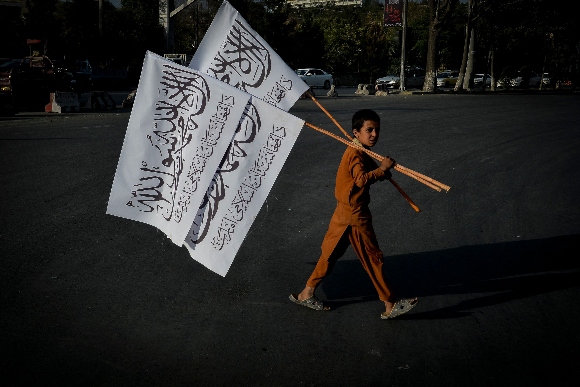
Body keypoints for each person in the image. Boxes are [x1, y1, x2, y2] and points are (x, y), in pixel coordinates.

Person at [289, 109, 418, 319]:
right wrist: (381, 170)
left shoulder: (358, 149)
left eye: (377, 130)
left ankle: (306, 293)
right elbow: (360, 180)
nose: (374, 134)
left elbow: (364, 173)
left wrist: (380, 172)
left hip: (343, 212)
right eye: (369, 130)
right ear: (356, 132)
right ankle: (390, 303)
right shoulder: (356, 153)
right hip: (355, 215)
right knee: (373, 257)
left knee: (329, 255)